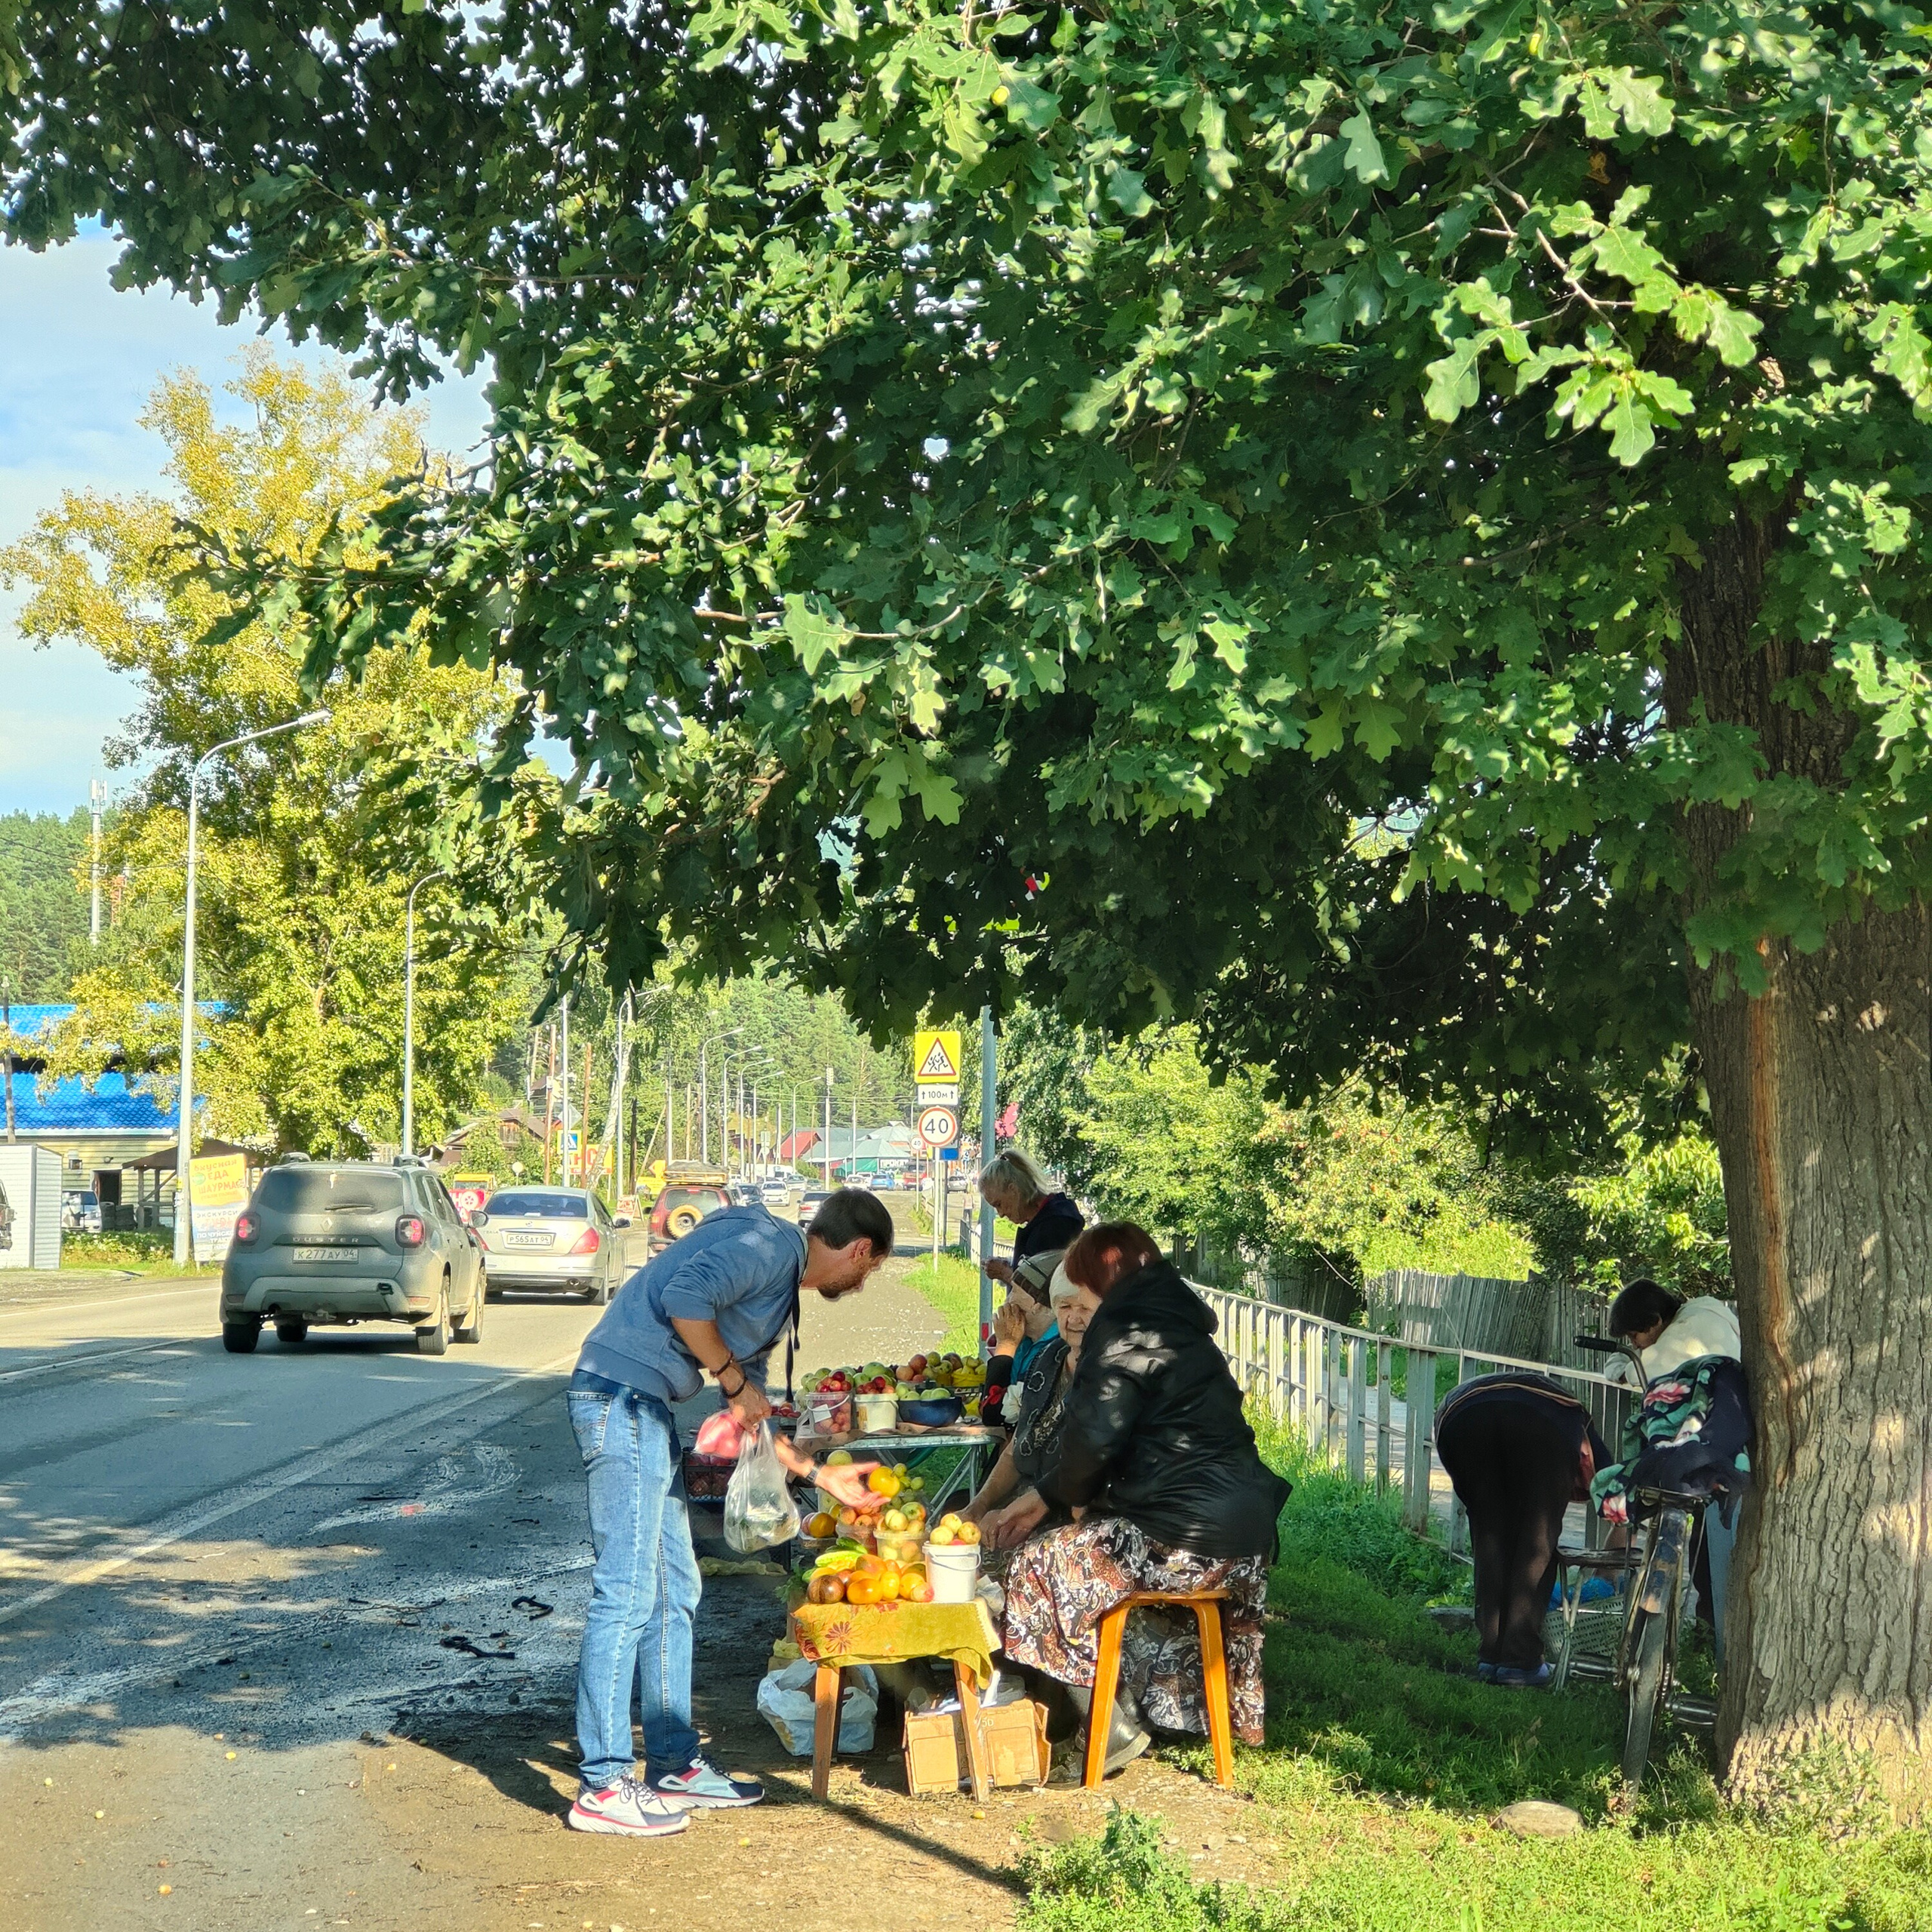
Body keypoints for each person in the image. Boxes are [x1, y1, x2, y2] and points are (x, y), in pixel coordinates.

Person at [564, 1186, 893, 1837]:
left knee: (675, 1590)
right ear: (858, 1250)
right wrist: (732, 1380)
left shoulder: (777, 1295)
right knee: (627, 1592)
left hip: (643, 1409)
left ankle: (674, 1766)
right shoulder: (769, 1247)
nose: (863, 1281)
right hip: (619, 1400)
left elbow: (754, 1414)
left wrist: (821, 1474)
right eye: (871, 1268)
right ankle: (602, 1785)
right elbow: (684, 1301)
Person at [995, 1223, 1291, 1775]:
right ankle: (1131, 1709)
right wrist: (1049, 1495)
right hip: (1246, 1530)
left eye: (1082, 1286)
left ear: (1100, 1280)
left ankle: (1110, 1731)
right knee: (1080, 1558)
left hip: (1186, 1536)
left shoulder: (1124, 1333)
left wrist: (1067, 1501)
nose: (1079, 1304)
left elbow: (1094, 1438)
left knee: (1036, 1564)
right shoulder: (1178, 1327)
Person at [1433, 1371, 1611, 1687]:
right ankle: (1521, 1662)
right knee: (1536, 1543)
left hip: (1459, 1417)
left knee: (1489, 1538)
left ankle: (1491, 1655)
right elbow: (1610, 1484)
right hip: (1541, 1421)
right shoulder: (1579, 1424)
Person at [961, 1260, 1088, 1534]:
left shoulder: (1113, 1373)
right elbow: (1016, 1447)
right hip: (1028, 1501)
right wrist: (977, 1507)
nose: (1073, 1319)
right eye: (1065, 1307)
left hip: (1069, 1517)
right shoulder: (1048, 1357)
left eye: (1085, 1309)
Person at [980, 1247, 1066, 1430]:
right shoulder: (1025, 1341)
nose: (1008, 1300)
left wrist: (1006, 1346)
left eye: (1015, 1292)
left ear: (1035, 1303)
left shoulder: (1058, 1351)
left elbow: (996, 1414)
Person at [977, 1149, 1084, 1291]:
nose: (1001, 1214)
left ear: (1013, 1190)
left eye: (999, 1204)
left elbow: (1048, 1294)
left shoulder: (1054, 1226)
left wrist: (1005, 1273)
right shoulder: (1056, 1215)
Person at [1607, 1278, 1740, 1382]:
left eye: (1634, 1336)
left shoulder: (1683, 1333)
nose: (1634, 1344)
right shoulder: (1702, 1309)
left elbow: (1636, 1373)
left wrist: (1622, 1371)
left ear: (1655, 1322)